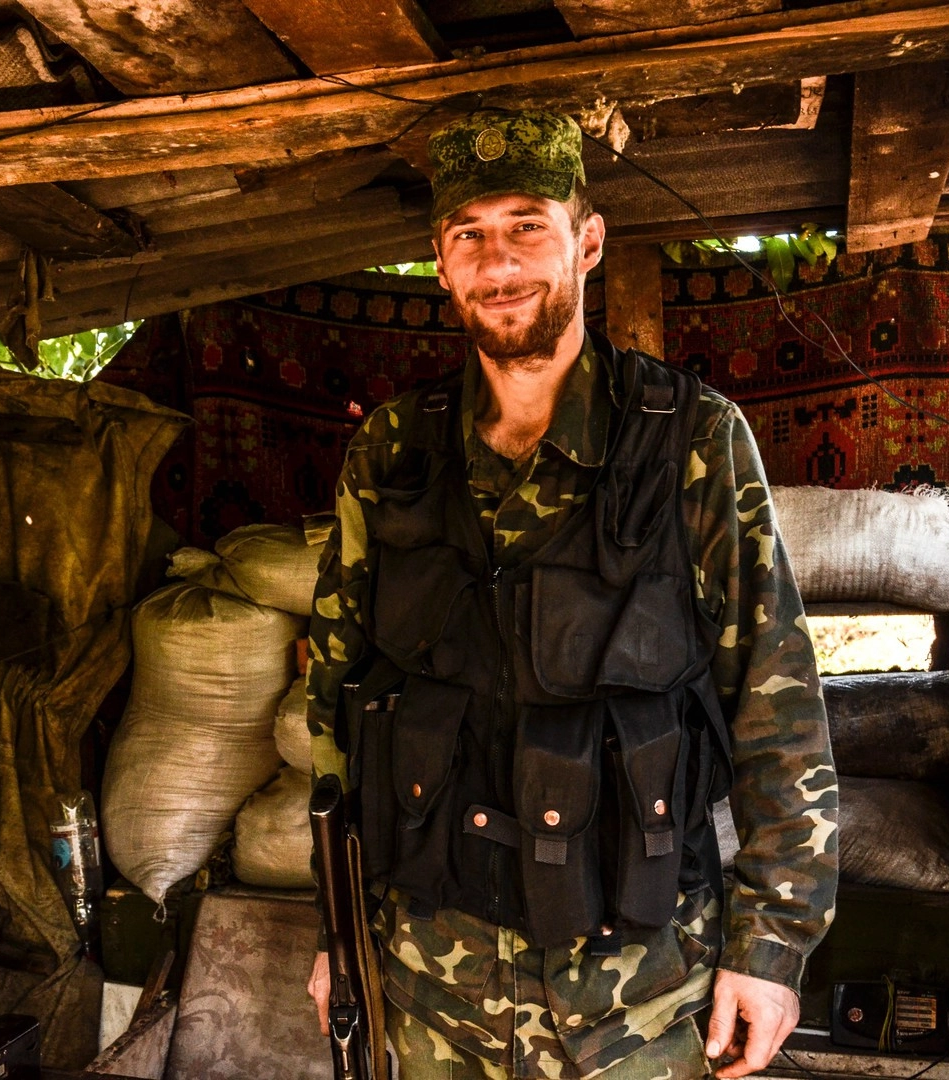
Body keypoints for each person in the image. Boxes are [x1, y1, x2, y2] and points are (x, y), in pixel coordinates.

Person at [304, 108, 837, 1080]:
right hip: (432, 983)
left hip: (638, 996)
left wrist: (771, 947)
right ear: (439, 263)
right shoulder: (391, 451)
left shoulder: (691, 439)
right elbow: (335, 699)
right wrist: (338, 928)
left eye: (526, 226)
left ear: (586, 242)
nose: (498, 261)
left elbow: (777, 699)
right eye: (468, 234)